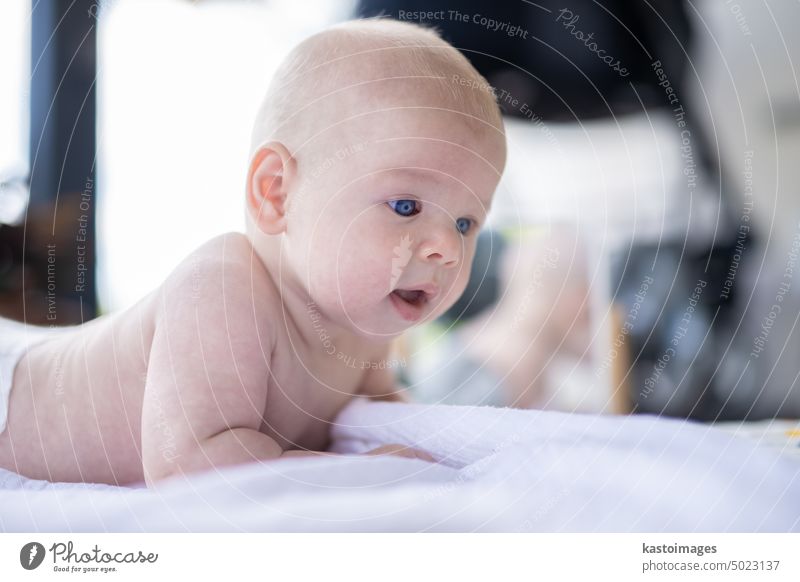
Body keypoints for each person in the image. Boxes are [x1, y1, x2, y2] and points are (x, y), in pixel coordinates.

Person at [0, 19, 506, 487]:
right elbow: (188, 463)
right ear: (277, 193)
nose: (447, 249)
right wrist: (356, 473)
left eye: (466, 222)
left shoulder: (362, 332)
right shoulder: (223, 291)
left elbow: (390, 420)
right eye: (405, 205)